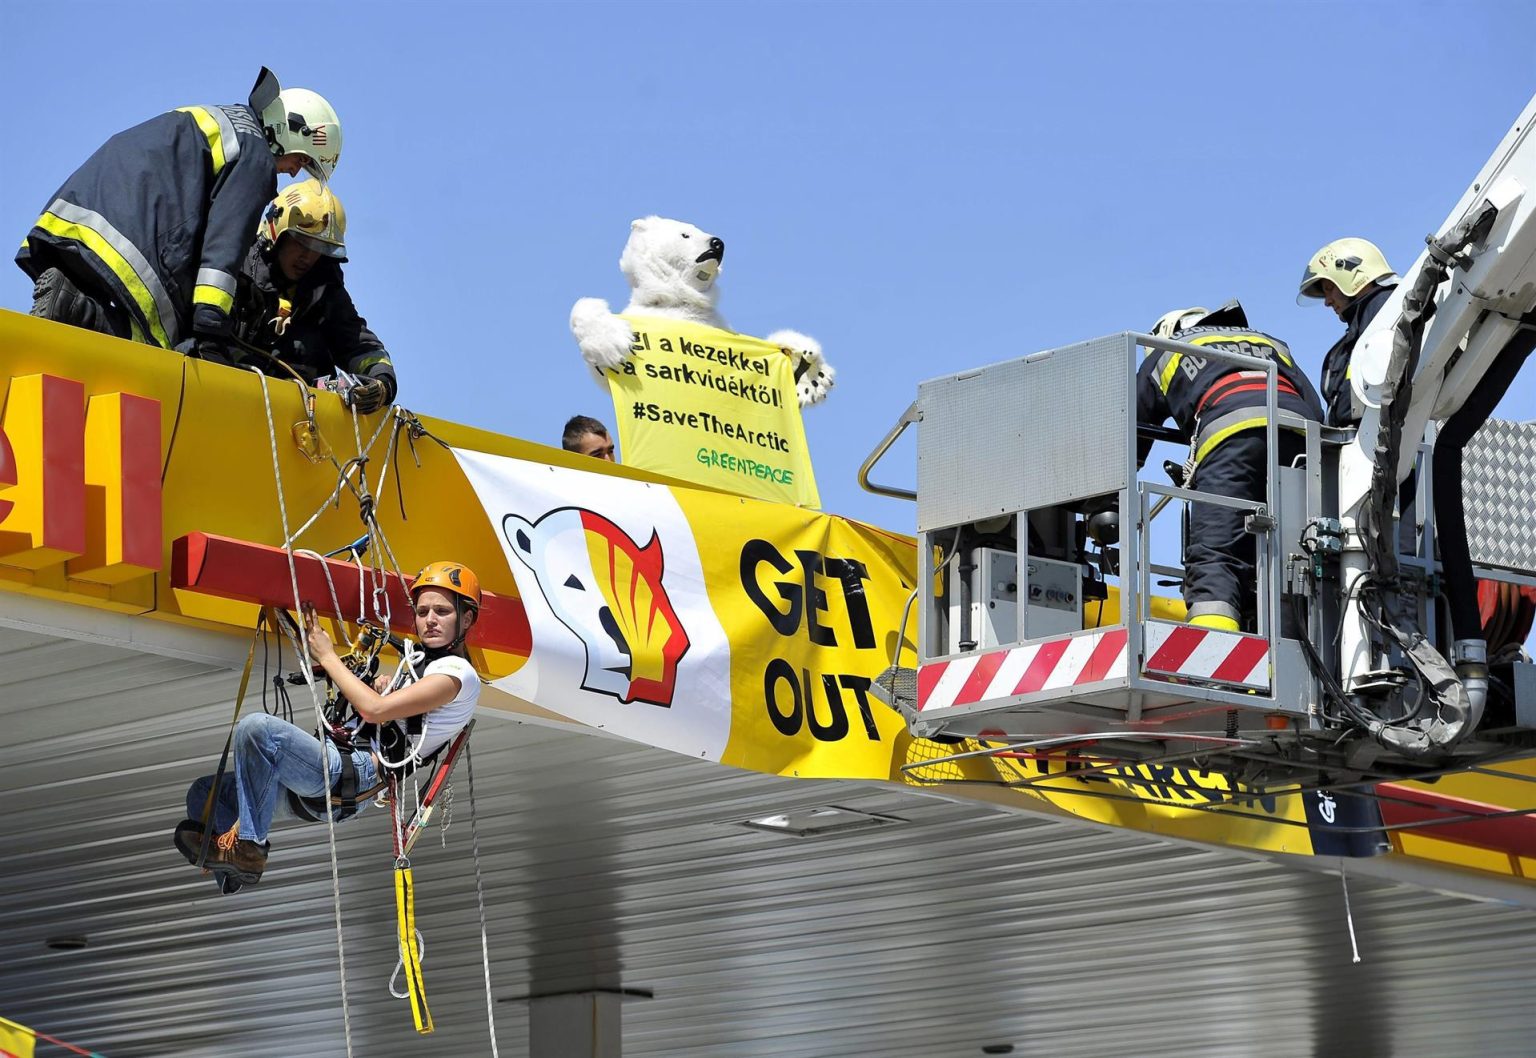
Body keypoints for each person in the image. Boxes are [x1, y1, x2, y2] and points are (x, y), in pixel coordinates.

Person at [174, 562, 481, 889]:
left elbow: (375, 710)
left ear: (466, 618)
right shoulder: (424, 666)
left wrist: (328, 655)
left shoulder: (459, 674)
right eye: (422, 611)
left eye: (442, 611)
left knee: (256, 729)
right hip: (328, 777)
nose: (429, 620)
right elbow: (387, 710)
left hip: (353, 773)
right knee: (206, 793)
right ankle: (231, 867)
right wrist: (382, 686)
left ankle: (249, 851)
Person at [17, 67, 342, 356]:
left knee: (110, 343)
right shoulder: (255, 156)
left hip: (81, 217)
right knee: (160, 352)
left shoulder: (225, 122)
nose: (295, 172)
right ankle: (77, 310)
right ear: (290, 130)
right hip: (132, 237)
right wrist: (211, 325)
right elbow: (225, 242)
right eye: (301, 159)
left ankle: (70, 302)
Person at [1138, 301, 1324, 631]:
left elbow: (1133, 424)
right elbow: (1315, 408)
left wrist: (1103, 499)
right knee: (1296, 555)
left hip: (1232, 439)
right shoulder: (1269, 342)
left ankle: (1218, 666)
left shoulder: (1165, 349)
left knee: (1216, 556)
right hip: (1301, 441)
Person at [225, 179, 397, 413]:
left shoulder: (325, 290)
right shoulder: (235, 269)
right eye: (301, 243)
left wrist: (381, 382)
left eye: (319, 248)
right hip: (230, 404)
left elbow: (357, 343)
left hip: (303, 425)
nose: (308, 256)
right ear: (277, 235)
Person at [1297, 238, 1400, 428]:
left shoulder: (1382, 311)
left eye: (1329, 289)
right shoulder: (1372, 317)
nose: (1327, 301)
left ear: (1352, 275)